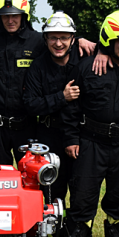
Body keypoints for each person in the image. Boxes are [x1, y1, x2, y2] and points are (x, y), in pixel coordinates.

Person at [60, 11, 119, 237]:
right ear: (108, 39)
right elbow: (71, 107)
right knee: (83, 197)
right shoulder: (87, 67)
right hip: (90, 143)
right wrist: (71, 139)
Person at [0, 0, 97, 166]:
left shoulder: (38, 41)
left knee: (31, 176)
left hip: (27, 125)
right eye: (5, 15)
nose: (10, 20)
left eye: (15, 15)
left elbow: (60, 44)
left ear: (24, 15)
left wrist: (82, 39)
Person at [22, 11, 80, 204]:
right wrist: (61, 98)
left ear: (73, 39)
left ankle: (76, 232)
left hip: (79, 134)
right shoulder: (37, 67)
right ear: (45, 38)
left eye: (64, 37)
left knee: (81, 188)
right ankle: (54, 230)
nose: (58, 43)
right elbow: (31, 104)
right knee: (50, 188)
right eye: (53, 37)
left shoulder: (84, 63)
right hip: (48, 134)